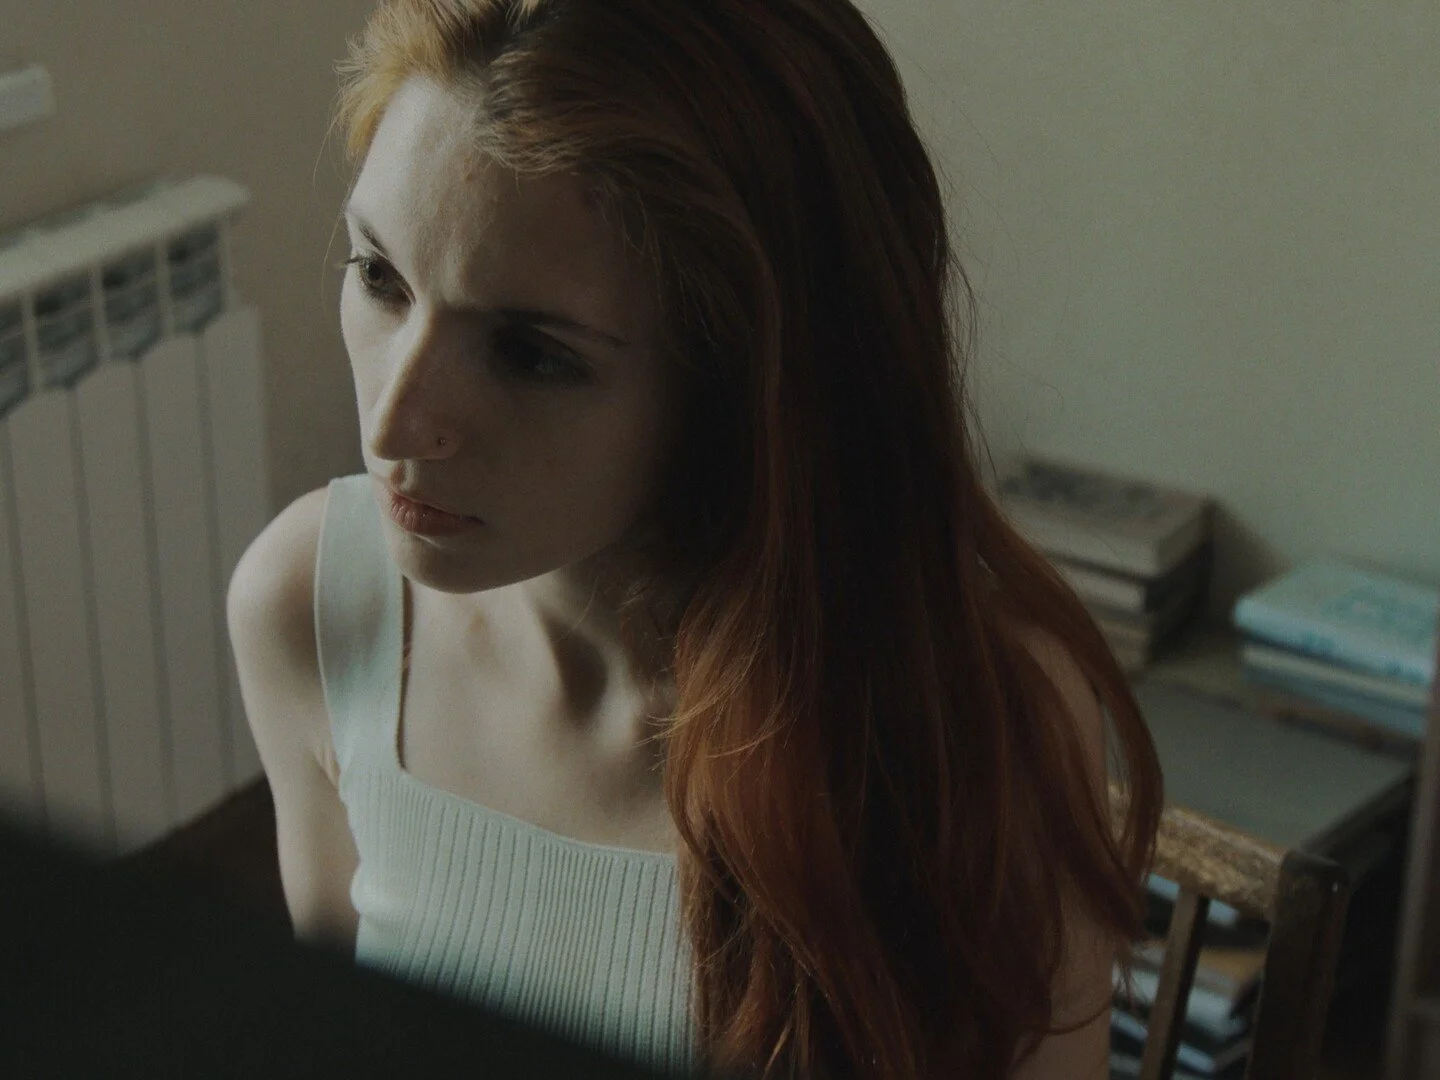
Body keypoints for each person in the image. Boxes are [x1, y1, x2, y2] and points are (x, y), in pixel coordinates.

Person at [225, 0, 1164, 1076]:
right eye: (380, 276)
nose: (397, 423)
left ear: (753, 387)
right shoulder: (311, 605)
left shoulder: (969, 721)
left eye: (532, 353)